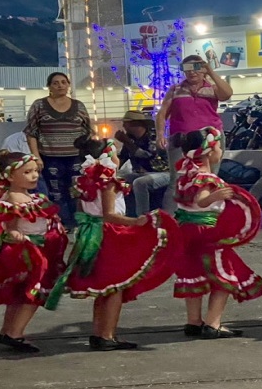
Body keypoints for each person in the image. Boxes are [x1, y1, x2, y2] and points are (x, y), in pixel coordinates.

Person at [46, 137, 180, 350]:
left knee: (104, 288)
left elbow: (81, 212)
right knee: (114, 286)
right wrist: (137, 221)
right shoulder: (107, 182)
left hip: (91, 233)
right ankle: (107, 335)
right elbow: (109, 215)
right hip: (109, 235)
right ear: (108, 157)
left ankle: (99, 334)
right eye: (116, 153)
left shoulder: (84, 180)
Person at [172, 127, 262, 339]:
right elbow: (201, 200)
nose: (221, 150)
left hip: (187, 230)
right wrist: (216, 196)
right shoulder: (205, 176)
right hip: (206, 232)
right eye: (219, 146)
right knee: (224, 275)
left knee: (193, 274)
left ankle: (193, 322)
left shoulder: (185, 174)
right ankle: (212, 323)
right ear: (209, 151)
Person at [0, 151, 68, 353]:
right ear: (10, 176)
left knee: (19, 295)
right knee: (33, 293)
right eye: (27, 172)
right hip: (28, 253)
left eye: (35, 171)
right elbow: (11, 226)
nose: (34, 176)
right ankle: (15, 333)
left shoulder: (29, 197)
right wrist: (14, 234)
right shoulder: (15, 199)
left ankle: (8, 331)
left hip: (35, 249)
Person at [156, 55, 233, 213]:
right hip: (181, 139)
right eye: (187, 69)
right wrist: (159, 134)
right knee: (177, 179)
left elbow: (227, 94)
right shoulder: (176, 89)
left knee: (210, 177)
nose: (192, 72)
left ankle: (207, 217)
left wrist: (210, 71)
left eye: (196, 67)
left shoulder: (212, 88)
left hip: (211, 139)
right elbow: (162, 113)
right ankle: (170, 219)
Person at [25, 72, 93, 228]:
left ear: (68, 85)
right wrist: (36, 157)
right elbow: (31, 133)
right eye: (55, 83)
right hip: (50, 156)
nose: (60, 85)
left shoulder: (79, 105)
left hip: (76, 157)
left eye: (63, 82)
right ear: (49, 86)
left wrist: (88, 155)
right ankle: (62, 223)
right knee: (56, 191)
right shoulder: (39, 105)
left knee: (77, 190)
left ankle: (79, 223)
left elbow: (88, 131)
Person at [115, 110, 169, 216]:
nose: (123, 126)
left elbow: (147, 154)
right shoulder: (130, 138)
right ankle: (123, 213)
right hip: (141, 172)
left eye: (126, 123)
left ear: (134, 123)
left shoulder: (153, 135)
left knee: (140, 183)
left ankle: (143, 216)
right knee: (118, 179)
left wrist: (126, 141)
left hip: (162, 172)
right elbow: (123, 157)